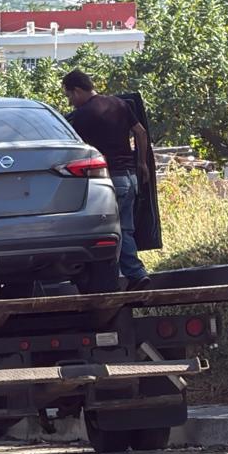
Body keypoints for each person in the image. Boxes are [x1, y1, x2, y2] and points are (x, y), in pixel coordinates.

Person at [61, 69, 152, 291]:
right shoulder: (119, 104)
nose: (71, 102)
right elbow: (140, 132)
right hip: (130, 178)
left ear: (78, 90)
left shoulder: (83, 115)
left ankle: (133, 274)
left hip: (109, 181)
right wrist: (141, 163)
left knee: (109, 232)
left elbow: (73, 149)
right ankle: (126, 276)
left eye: (70, 96)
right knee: (126, 229)